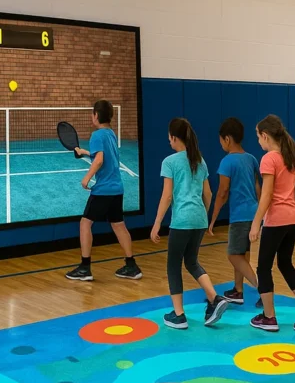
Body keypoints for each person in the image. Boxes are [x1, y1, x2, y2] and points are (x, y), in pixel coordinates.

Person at [151, 118, 229, 329]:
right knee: (191, 261)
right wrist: (201, 214)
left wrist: (157, 223)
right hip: (199, 219)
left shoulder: (170, 162)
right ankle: (214, 298)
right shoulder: (199, 160)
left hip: (182, 220)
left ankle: (179, 315)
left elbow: (167, 197)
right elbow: (208, 194)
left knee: (173, 265)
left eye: (169, 137)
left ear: (174, 138)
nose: (168, 141)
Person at [248, 115, 295, 332]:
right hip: (292, 219)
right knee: (285, 263)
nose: (258, 141)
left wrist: (256, 223)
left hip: (276, 220)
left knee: (264, 267)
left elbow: (266, 195)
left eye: (258, 136)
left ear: (265, 136)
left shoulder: (269, 159)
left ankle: (269, 317)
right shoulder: (290, 158)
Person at [65, 100, 141, 282]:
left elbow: (99, 160)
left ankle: (85, 267)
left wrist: (86, 178)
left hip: (103, 190)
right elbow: (103, 154)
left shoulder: (97, 135)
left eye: (93, 113)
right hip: (117, 188)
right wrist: (83, 151)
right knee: (118, 225)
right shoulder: (110, 134)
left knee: (85, 224)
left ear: (96, 116)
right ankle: (131, 266)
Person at [208, 117, 260, 304]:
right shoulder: (252, 159)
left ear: (227, 139)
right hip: (254, 214)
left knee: (232, 254)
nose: (221, 143)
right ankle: (238, 290)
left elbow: (222, 193)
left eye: (221, 140)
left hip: (240, 216)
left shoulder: (227, 162)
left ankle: (262, 288)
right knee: (242, 254)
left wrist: (212, 220)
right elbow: (257, 188)